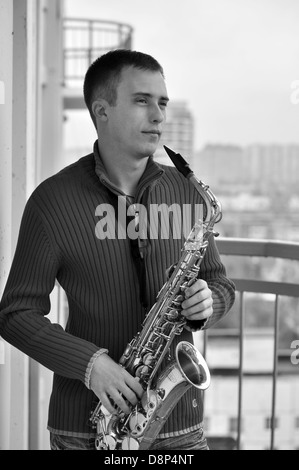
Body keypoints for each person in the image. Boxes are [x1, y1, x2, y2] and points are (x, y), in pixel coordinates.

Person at [0, 49, 235, 451]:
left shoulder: (187, 192)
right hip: (85, 429)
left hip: (181, 429)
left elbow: (219, 284)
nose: (159, 115)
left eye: (161, 102)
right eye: (142, 100)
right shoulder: (53, 200)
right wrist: (91, 366)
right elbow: (15, 313)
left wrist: (208, 301)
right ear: (101, 110)